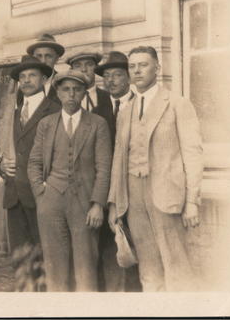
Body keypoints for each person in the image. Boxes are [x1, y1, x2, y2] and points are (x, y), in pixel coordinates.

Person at [108, 46, 202, 291]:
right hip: (133, 199)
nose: (137, 70)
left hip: (166, 196)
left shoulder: (177, 104)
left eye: (144, 64)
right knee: (148, 269)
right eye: (132, 66)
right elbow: (119, 159)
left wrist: (192, 201)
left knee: (177, 267)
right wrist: (115, 204)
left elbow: (192, 154)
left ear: (158, 68)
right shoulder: (125, 110)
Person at [27, 70, 112, 291]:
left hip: (84, 203)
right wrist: (41, 194)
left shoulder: (97, 124)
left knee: (86, 268)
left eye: (77, 89)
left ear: (84, 92)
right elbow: (34, 162)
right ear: (58, 92)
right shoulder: (46, 124)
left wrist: (97, 204)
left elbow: (104, 168)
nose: (71, 94)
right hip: (51, 201)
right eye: (66, 89)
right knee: (55, 268)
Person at [0, 55, 61, 254]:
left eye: (32, 75)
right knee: (20, 258)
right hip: (14, 195)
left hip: (42, 196)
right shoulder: (11, 112)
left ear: (44, 79)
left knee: (45, 256)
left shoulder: (55, 111)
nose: (26, 80)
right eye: (22, 76)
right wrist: (0, 163)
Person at [94, 51, 140, 292]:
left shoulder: (140, 105)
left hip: (134, 191)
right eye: (107, 76)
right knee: (108, 249)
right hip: (105, 192)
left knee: (134, 248)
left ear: (129, 77)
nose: (111, 81)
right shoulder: (98, 110)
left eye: (117, 75)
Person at [67, 51, 113, 126]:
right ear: (71, 70)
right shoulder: (63, 99)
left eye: (89, 64)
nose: (84, 69)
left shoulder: (109, 97)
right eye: (78, 66)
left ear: (96, 68)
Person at [25, 33, 64, 98]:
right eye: (39, 56)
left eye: (48, 56)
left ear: (56, 59)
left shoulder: (63, 83)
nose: (43, 61)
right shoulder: (25, 86)